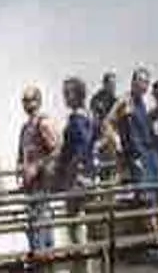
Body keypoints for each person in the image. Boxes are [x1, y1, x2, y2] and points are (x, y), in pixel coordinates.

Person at [111, 69, 158, 251]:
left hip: (151, 156)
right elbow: (108, 122)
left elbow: (145, 122)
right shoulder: (124, 101)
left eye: (145, 82)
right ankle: (156, 246)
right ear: (132, 82)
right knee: (147, 202)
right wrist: (117, 143)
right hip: (137, 158)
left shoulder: (141, 103)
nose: (142, 85)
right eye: (139, 81)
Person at [17, 84, 62, 256]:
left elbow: (57, 149)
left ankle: (44, 259)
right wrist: (21, 167)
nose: (27, 104)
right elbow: (23, 153)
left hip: (42, 183)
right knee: (34, 223)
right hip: (30, 185)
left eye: (31, 100)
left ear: (39, 101)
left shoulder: (43, 123)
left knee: (41, 224)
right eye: (24, 101)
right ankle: (40, 258)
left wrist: (38, 166)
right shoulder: (26, 127)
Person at [56, 77, 100, 252]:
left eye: (68, 93)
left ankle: (81, 263)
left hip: (77, 178)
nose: (65, 97)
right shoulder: (89, 116)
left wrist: (70, 170)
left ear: (77, 95)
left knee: (74, 225)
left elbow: (80, 148)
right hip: (89, 174)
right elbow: (95, 140)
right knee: (83, 223)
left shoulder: (76, 119)